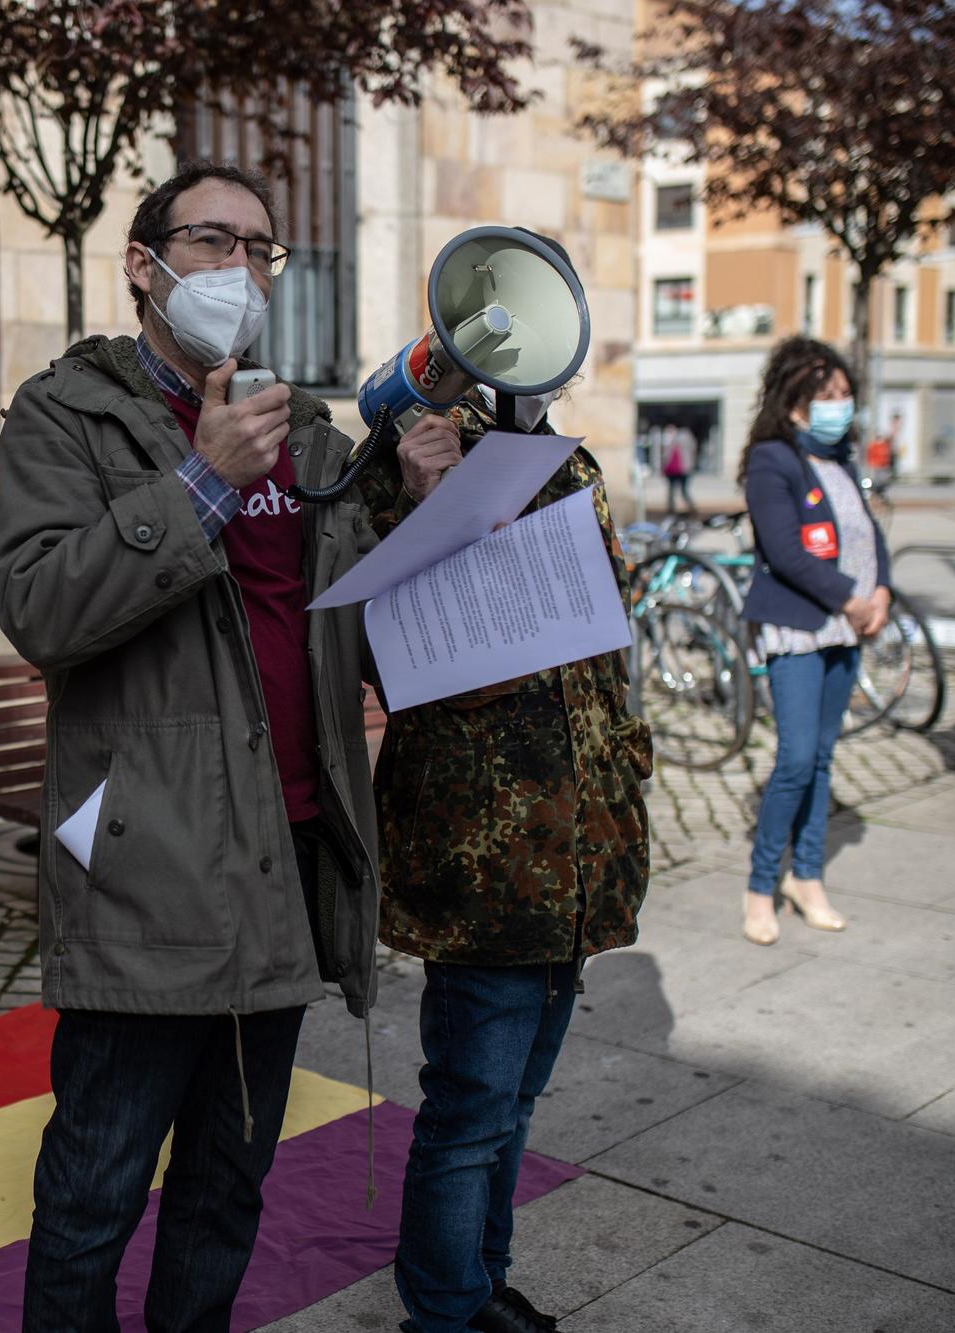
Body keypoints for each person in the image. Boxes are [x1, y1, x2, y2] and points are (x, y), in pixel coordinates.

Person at [0, 161, 390, 1331]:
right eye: (212, 241)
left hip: (286, 852)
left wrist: (411, 499)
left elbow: (355, 609)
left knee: (225, 1184)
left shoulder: (307, 433)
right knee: (94, 1189)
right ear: (142, 263)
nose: (239, 270)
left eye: (260, 250)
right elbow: (41, 608)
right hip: (149, 863)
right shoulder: (66, 413)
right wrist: (202, 482)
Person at [358, 334, 653, 1330]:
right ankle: (439, 1313)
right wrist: (411, 496)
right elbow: (363, 637)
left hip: (574, 848)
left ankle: (479, 1286)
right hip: (483, 850)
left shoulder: (568, 462)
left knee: (514, 1103)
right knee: (468, 1111)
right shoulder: (417, 450)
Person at [738, 337, 892, 944]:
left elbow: (868, 537)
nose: (840, 406)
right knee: (796, 759)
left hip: (848, 626)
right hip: (800, 626)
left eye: (845, 394)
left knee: (824, 759)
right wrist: (852, 599)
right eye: (826, 396)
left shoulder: (841, 460)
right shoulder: (771, 460)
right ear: (795, 401)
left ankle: (807, 876)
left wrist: (882, 595)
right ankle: (759, 886)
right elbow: (785, 551)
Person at [662, 428, 693, 515]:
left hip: (679, 469)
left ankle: (673, 509)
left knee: (675, 490)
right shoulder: (686, 439)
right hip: (680, 469)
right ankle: (690, 508)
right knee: (681, 491)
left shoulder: (671, 441)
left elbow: (665, 456)